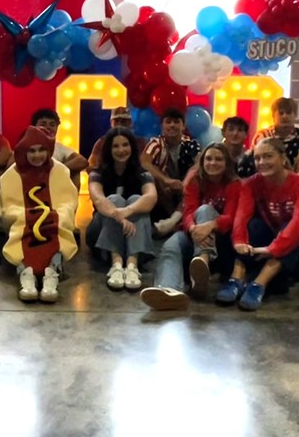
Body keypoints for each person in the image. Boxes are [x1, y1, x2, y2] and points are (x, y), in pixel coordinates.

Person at [140, 143, 241, 311]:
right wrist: (193, 228)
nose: (212, 163)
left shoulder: (235, 184)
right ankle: (168, 290)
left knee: (205, 210)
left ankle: (203, 261)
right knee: (171, 245)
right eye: (208, 158)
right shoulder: (195, 180)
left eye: (218, 159)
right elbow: (187, 212)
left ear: (227, 163)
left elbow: (232, 217)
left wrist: (211, 224)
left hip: (221, 242)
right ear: (202, 162)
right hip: (194, 234)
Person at [219, 137, 299, 311]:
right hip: (270, 237)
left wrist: (273, 249)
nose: (262, 162)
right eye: (257, 158)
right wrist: (239, 241)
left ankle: (258, 284)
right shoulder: (251, 184)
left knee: (291, 230)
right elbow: (242, 215)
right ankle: (236, 278)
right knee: (253, 226)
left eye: (268, 156)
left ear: (283, 158)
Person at [0, 126, 78, 303]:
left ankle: (52, 272)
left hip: (53, 218)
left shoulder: (60, 171)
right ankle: (26, 274)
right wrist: (31, 215)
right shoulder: (11, 175)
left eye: (42, 150)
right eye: (32, 151)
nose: (37, 155)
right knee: (22, 229)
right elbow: (8, 208)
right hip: (23, 219)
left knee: (58, 227)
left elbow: (68, 202)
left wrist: (52, 215)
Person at [86, 127, 157, 292]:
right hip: (100, 230)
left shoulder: (142, 173)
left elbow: (151, 197)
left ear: (132, 147)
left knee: (137, 200)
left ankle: (132, 265)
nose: (121, 150)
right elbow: (98, 199)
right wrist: (119, 215)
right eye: (115, 146)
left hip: (130, 230)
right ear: (108, 150)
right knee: (114, 200)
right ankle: (116, 264)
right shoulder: (97, 173)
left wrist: (128, 211)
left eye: (125, 145)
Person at [141, 108, 201, 235]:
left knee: (198, 178)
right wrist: (166, 180)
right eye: (168, 122)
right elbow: (144, 162)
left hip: (184, 188)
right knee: (151, 176)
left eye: (176, 122)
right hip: (163, 191)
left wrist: (185, 182)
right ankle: (174, 220)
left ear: (183, 125)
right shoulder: (156, 143)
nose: (172, 125)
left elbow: (199, 163)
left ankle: (171, 222)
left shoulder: (190, 144)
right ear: (162, 126)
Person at [237, 97, 299, 176]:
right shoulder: (262, 136)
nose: (285, 116)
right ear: (273, 116)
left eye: (288, 113)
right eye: (281, 113)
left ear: (295, 115)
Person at [31, 108, 89, 190]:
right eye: (43, 124)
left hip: (55, 188)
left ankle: (70, 202)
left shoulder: (59, 147)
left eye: (52, 125)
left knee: (75, 172)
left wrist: (55, 171)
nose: (48, 127)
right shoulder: (25, 145)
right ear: (34, 127)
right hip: (32, 187)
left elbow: (82, 161)